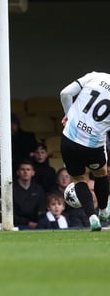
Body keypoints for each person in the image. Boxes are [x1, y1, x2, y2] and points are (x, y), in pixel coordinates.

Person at [60, 71, 110, 231]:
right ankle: (103, 210)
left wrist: (68, 115)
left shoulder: (96, 76)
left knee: (78, 179)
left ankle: (92, 216)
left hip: (69, 140)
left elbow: (65, 93)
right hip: (93, 146)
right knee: (101, 173)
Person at [13, 160, 46, 229]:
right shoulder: (11, 189)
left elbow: (42, 208)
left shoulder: (38, 189)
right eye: (22, 169)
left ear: (33, 173)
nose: (25, 172)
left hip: (36, 224)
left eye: (28, 169)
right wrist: (27, 222)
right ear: (18, 172)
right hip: (17, 225)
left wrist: (38, 222)